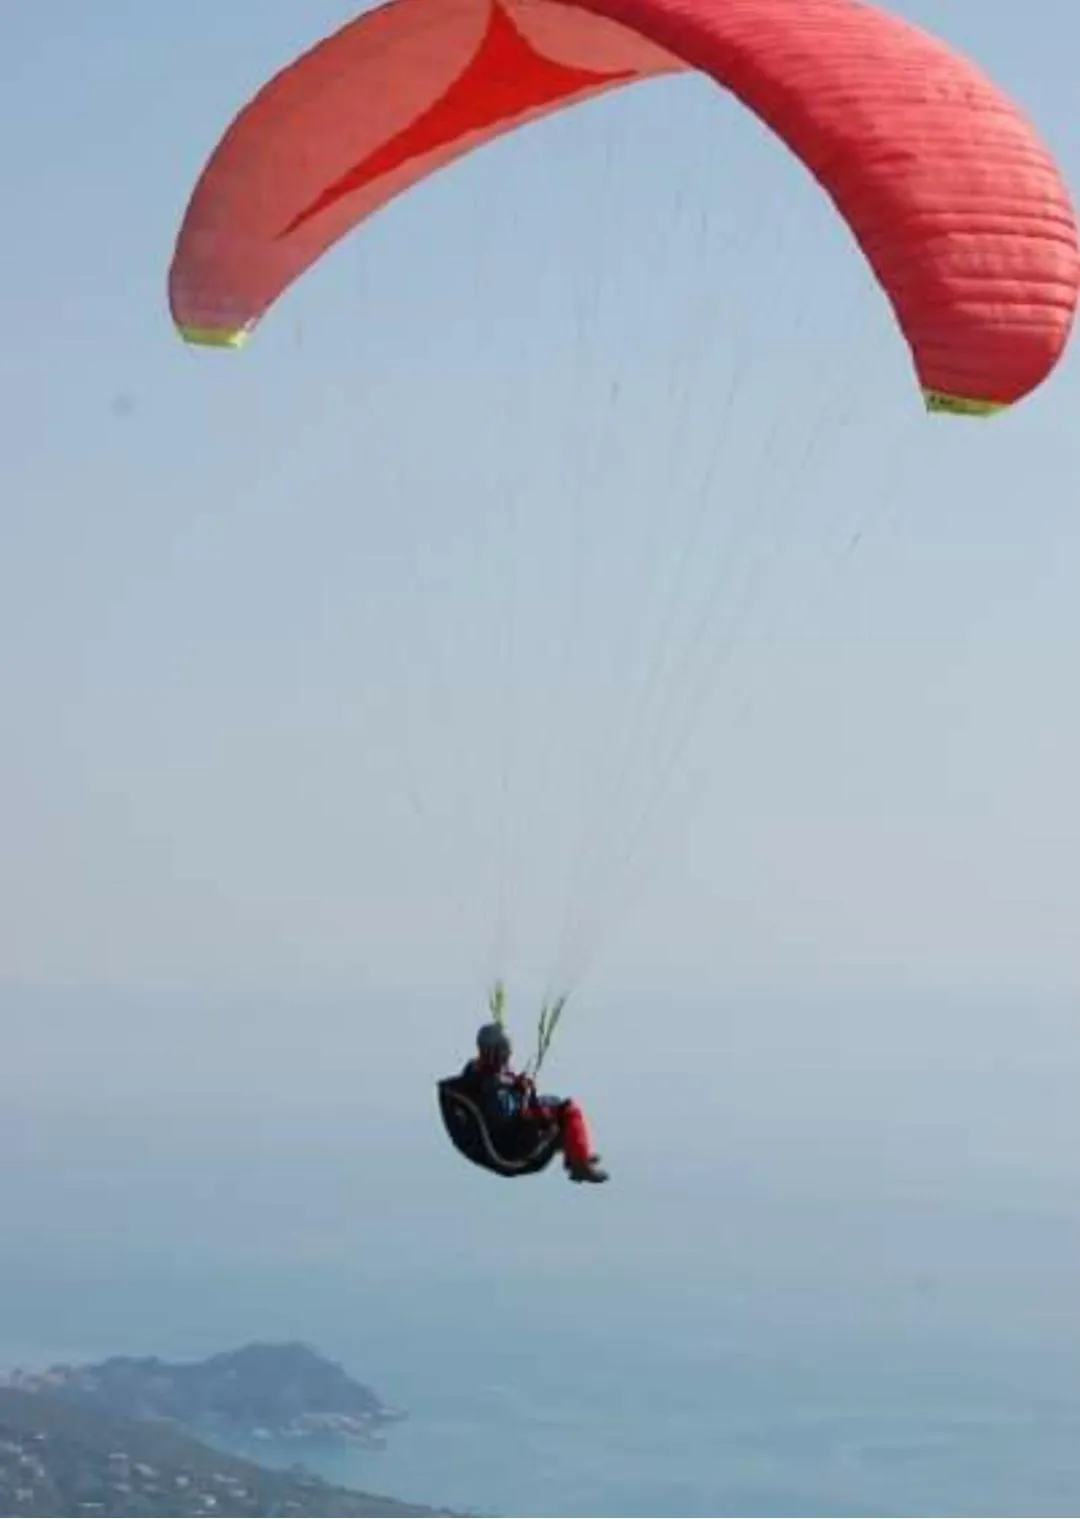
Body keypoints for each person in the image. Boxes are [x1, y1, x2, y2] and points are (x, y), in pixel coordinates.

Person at [464, 1023, 608, 1183]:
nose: (509, 1055)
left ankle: (576, 1154)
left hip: (508, 1136)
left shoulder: (477, 1073)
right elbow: (506, 1113)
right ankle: (580, 1165)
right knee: (568, 1110)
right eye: (505, 1051)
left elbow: (499, 1093)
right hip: (516, 1141)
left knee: (553, 1102)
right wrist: (523, 1097)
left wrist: (517, 1086)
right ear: (494, 1052)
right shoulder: (490, 1083)